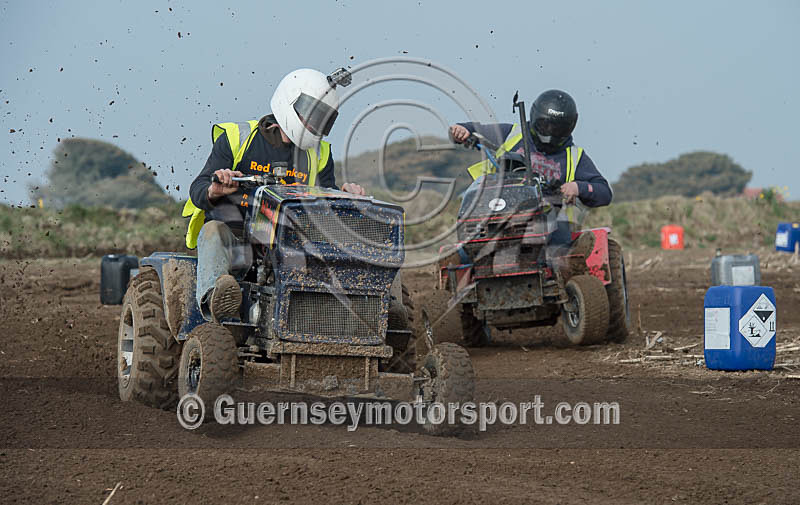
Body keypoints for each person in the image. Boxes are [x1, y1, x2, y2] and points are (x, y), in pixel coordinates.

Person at [185, 68, 364, 322]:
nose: (314, 125)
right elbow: (198, 189)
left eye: (322, 120)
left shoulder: (319, 154)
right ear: (289, 100)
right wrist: (216, 189)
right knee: (213, 230)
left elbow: (327, 201)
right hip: (237, 245)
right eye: (311, 116)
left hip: (289, 247)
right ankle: (217, 304)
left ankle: (358, 315)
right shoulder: (238, 138)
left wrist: (346, 197)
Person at [449, 89, 612, 272]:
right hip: (498, 210)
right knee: (467, 248)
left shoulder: (574, 156)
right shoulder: (510, 134)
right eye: (545, 126)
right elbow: (474, 129)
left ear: (569, 127)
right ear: (535, 119)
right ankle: (459, 264)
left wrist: (578, 187)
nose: (550, 133)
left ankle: (567, 266)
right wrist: (462, 130)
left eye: (557, 129)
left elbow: (604, 192)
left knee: (559, 247)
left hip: (546, 218)